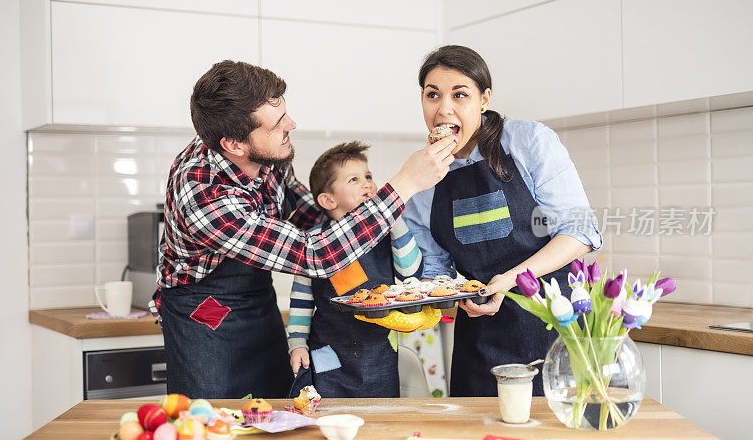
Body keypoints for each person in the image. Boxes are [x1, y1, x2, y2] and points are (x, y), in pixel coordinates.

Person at [152, 60, 457, 400]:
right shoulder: (203, 194)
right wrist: (404, 184)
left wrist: (350, 209)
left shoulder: (267, 150)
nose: (291, 126)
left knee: (272, 411)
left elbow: (301, 213)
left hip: (255, 297)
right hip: (204, 309)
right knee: (213, 419)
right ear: (235, 145)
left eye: (285, 115)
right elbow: (315, 255)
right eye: (278, 125)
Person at [403, 45, 603, 397]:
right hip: (480, 340)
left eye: (459, 94)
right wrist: (436, 295)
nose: (443, 108)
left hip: (555, 324)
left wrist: (511, 279)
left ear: (484, 99)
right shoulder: (421, 179)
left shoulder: (528, 141)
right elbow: (437, 269)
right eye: (432, 95)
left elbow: (580, 233)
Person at [286, 142, 423, 398]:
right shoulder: (313, 242)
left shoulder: (386, 234)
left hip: (379, 353)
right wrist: (296, 345)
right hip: (329, 352)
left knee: (379, 420)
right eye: (354, 179)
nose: (367, 184)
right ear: (328, 200)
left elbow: (411, 276)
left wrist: (395, 220)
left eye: (368, 176)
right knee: (329, 419)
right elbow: (301, 302)